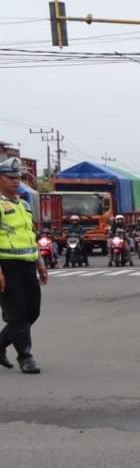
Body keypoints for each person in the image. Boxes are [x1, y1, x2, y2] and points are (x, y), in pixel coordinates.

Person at [0, 158, 47, 374]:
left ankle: (0, 344)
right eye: (10, 178)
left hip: (27, 264)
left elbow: (30, 236)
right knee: (17, 314)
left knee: (32, 312)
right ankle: (25, 356)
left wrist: (40, 262)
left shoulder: (24, 205)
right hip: (6, 265)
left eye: (18, 178)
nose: (15, 181)